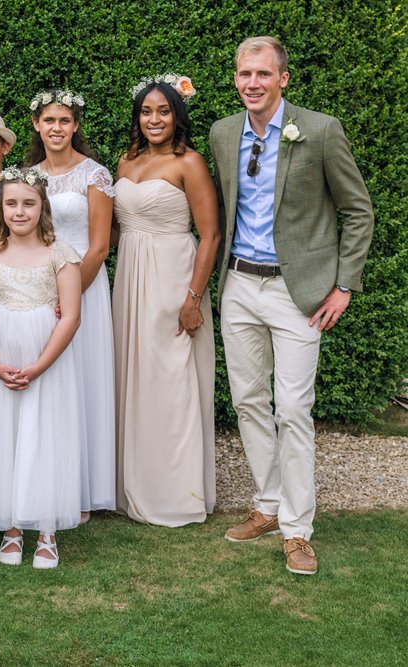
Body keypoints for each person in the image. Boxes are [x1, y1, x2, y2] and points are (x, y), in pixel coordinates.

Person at [210, 37, 373, 575]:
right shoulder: (223, 132)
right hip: (238, 286)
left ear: (284, 78)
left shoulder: (320, 130)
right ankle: (267, 503)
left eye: (261, 74)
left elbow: (357, 211)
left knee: (294, 409)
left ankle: (298, 530)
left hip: (297, 292)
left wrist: (344, 285)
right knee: (250, 401)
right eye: (243, 74)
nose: (251, 83)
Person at [112, 75, 219, 526]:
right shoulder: (125, 160)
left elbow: (210, 234)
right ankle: (129, 484)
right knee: (132, 376)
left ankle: (176, 493)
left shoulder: (189, 162)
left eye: (163, 111)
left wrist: (193, 298)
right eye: (146, 111)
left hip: (175, 277)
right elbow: (115, 229)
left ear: (177, 116)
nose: (154, 119)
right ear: (137, 118)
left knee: (170, 383)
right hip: (130, 275)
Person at [0, 166, 83, 569]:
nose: (20, 212)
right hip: (0, 358)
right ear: (1, 207)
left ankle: (47, 530)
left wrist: (38, 366)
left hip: (45, 360)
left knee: (44, 435)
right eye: (11, 203)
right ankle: (12, 528)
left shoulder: (61, 254)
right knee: (5, 436)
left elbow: (70, 316)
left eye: (28, 203)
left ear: (42, 207)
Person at [28, 88, 116, 521]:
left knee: (84, 381)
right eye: (49, 121)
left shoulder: (95, 175)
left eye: (64, 121)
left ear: (75, 126)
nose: (57, 128)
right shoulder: (27, 175)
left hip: (85, 285)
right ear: (37, 126)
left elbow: (100, 247)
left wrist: (70, 296)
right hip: (37, 289)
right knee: (50, 384)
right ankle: (49, 479)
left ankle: (84, 490)